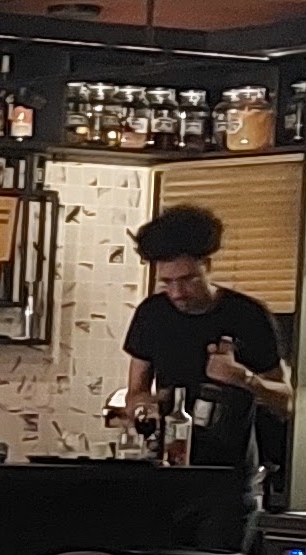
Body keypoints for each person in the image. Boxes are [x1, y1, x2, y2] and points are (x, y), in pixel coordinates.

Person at [120, 204, 291, 490]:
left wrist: (244, 379)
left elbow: (286, 403)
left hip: (232, 477)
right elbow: (136, 392)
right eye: (167, 282)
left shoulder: (248, 315)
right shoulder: (151, 314)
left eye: (188, 280)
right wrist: (142, 408)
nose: (177, 293)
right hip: (167, 469)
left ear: (207, 266)